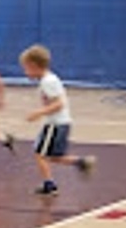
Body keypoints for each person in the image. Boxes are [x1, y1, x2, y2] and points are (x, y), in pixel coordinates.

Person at [19, 44, 95, 195]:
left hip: (55, 124)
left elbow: (59, 104)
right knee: (53, 156)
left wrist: (39, 113)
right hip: (60, 123)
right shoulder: (49, 80)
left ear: (34, 66)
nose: (25, 72)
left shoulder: (48, 82)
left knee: (40, 154)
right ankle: (81, 162)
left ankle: (49, 185)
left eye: (26, 68)